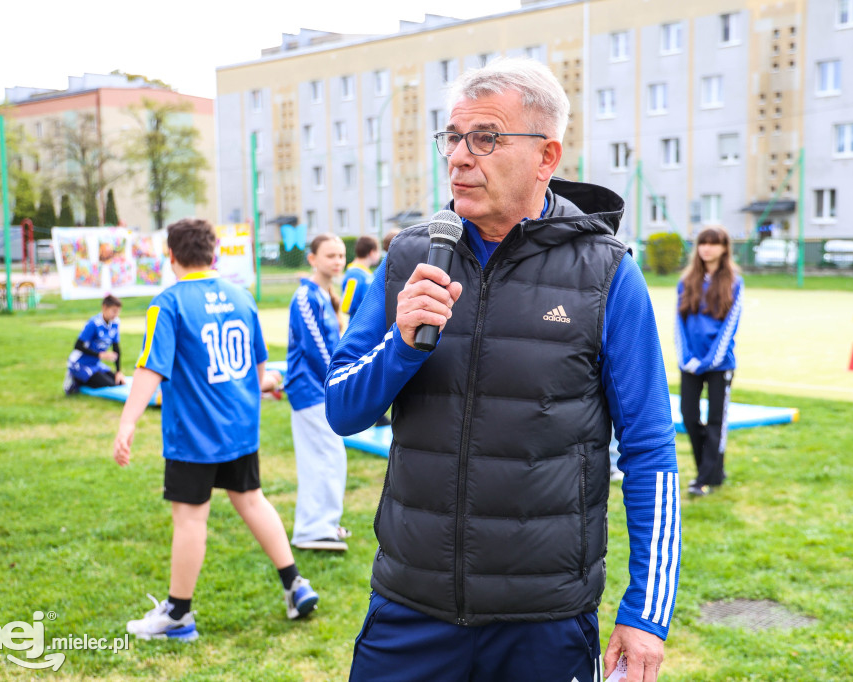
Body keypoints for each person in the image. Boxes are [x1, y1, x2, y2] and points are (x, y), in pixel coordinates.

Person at [325, 57, 679, 682]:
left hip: (543, 623)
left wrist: (646, 615)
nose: (461, 156)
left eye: (485, 137)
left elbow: (650, 450)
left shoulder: (606, 274)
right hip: (412, 609)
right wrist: (403, 345)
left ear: (547, 157)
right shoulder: (411, 256)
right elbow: (343, 409)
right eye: (453, 137)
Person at [112, 218, 319, 641]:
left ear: (171, 257)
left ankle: (178, 617)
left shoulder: (167, 302)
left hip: (194, 434)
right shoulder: (241, 297)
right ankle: (296, 585)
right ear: (215, 254)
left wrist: (127, 422)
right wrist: (258, 389)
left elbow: (150, 365)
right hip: (239, 427)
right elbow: (259, 364)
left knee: (190, 519)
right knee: (252, 501)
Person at [285, 233, 351, 551]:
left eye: (340, 255)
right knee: (323, 457)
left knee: (330, 456)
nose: (337, 261)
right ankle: (311, 529)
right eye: (330, 256)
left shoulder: (325, 296)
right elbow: (316, 349)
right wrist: (340, 381)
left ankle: (325, 523)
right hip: (311, 389)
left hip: (321, 389)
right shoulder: (305, 296)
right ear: (313, 259)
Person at [675, 226, 743, 498]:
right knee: (689, 417)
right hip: (690, 364)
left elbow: (729, 327)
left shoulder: (734, 282)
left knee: (717, 421)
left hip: (719, 365)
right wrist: (686, 359)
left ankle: (703, 479)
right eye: (703, 243)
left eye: (713, 244)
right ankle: (713, 469)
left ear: (724, 248)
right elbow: (678, 323)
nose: (707, 248)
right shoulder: (687, 280)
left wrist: (707, 362)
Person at [63, 295, 125, 394]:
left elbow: (116, 348)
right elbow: (78, 345)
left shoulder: (115, 323)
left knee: (119, 382)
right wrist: (100, 355)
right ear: (104, 308)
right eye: (114, 311)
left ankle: (85, 378)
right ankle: (76, 379)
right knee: (109, 384)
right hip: (79, 363)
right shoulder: (94, 323)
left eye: (118, 311)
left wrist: (118, 371)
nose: (116, 314)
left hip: (95, 364)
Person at [341, 236, 381, 320]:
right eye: (378, 251)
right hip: (359, 327)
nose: (379, 254)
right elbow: (346, 307)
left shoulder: (366, 273)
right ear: (371, 252)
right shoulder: (354, 275)